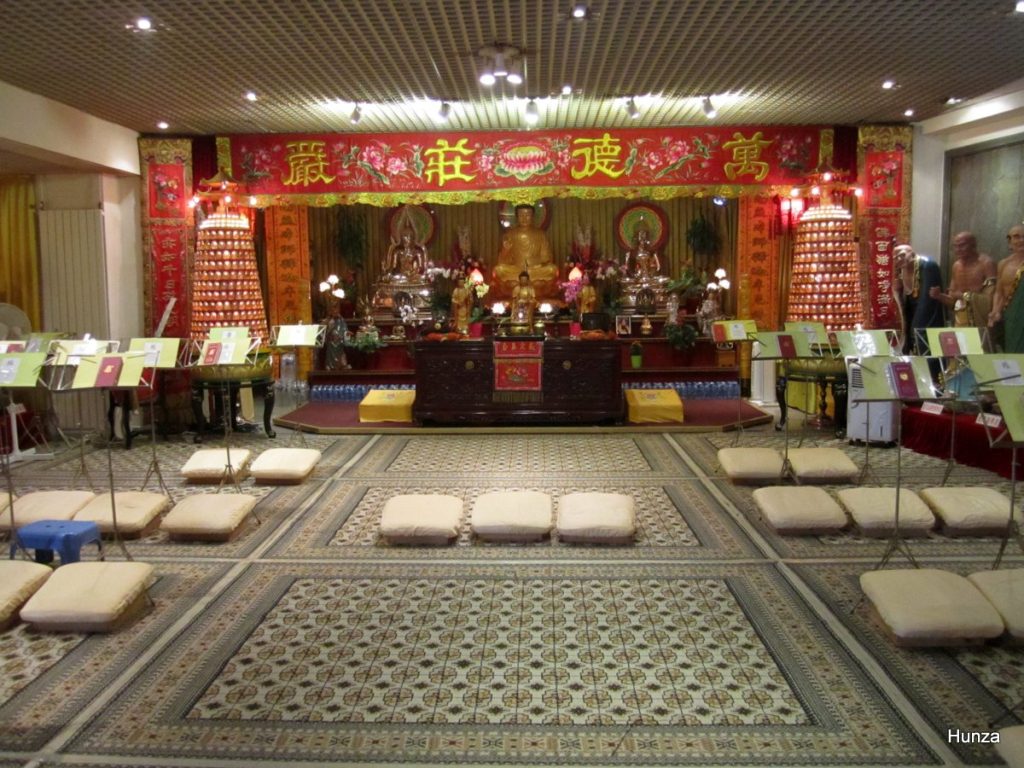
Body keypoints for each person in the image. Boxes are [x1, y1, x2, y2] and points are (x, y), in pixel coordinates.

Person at [928, 231, 997, 334]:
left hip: (980, 320)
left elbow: (991, 299)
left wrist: (964, 296)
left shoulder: (986, 264)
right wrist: (939, 296)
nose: (958, 250)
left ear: (973, 245)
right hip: (960, 319)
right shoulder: (956, 266)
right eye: (955, 246)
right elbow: (953, 300)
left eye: (962, 245)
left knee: (980, 348)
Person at [493, 204, 559, 300]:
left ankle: (524, 285)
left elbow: (547, 258)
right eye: (521, 215)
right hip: (516, 270)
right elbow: (502, 262)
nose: (524, 218)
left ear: (532, 216)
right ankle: (529, 286)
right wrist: (505, 250)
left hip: (534, 270)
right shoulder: (510, 234)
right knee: (498, 270)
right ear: (516, 217)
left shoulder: (540, 234)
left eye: (527, 215)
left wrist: (538, 263)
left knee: (552, 269)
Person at [893, 243, 944, 355]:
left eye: (902, 255)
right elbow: (905, 302)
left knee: (922, 340)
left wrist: (914, 330)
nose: (899, 259)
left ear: (912, 253)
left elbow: (927, 303)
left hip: (927, 314)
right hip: (913, 311)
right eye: (895, 258)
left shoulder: (927, 265)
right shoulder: (901, 270)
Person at [989, 224, 1024, 352]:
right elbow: (999, 292)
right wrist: (996, 311)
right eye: (1017, 237)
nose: (1021, 240)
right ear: (1010, 241)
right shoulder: (1004, 264)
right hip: (1011, 318)